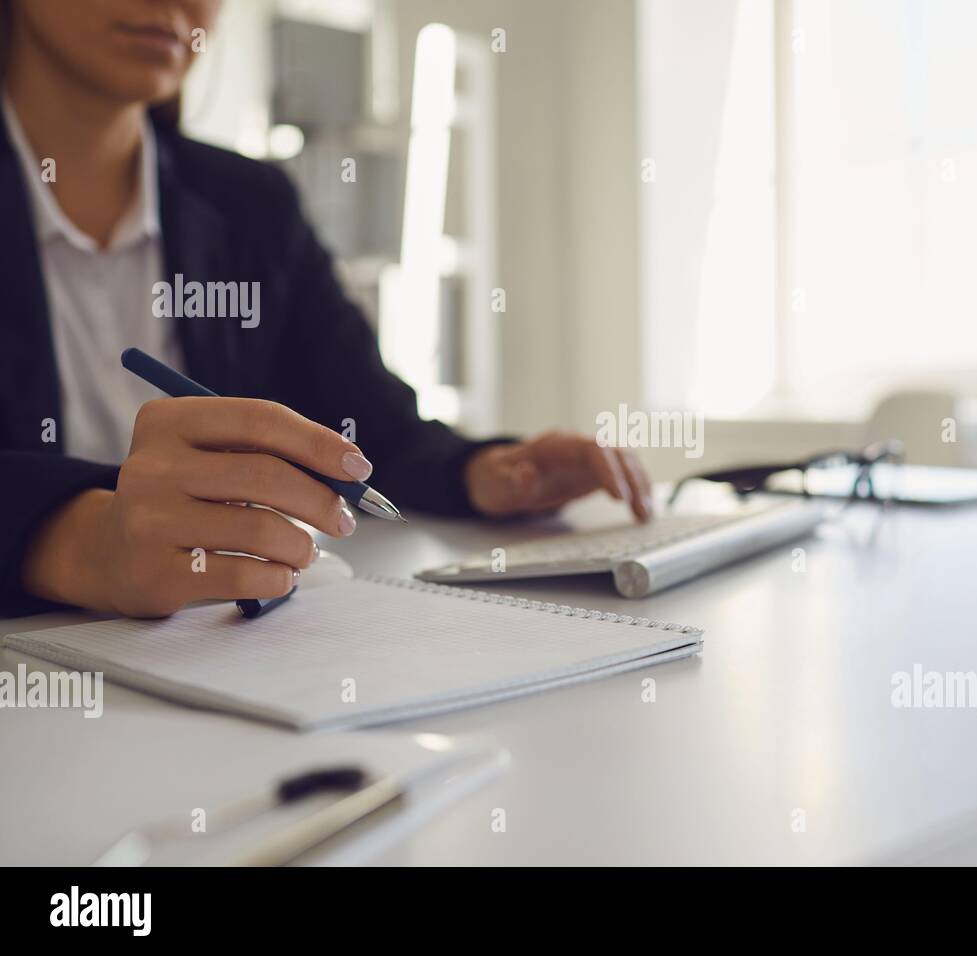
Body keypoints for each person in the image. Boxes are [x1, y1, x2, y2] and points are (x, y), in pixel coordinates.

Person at [0, 0, 652, 618]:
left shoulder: (249, 203)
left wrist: (489, 473)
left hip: (213, 655)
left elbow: (368, 429)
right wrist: (79, 542)